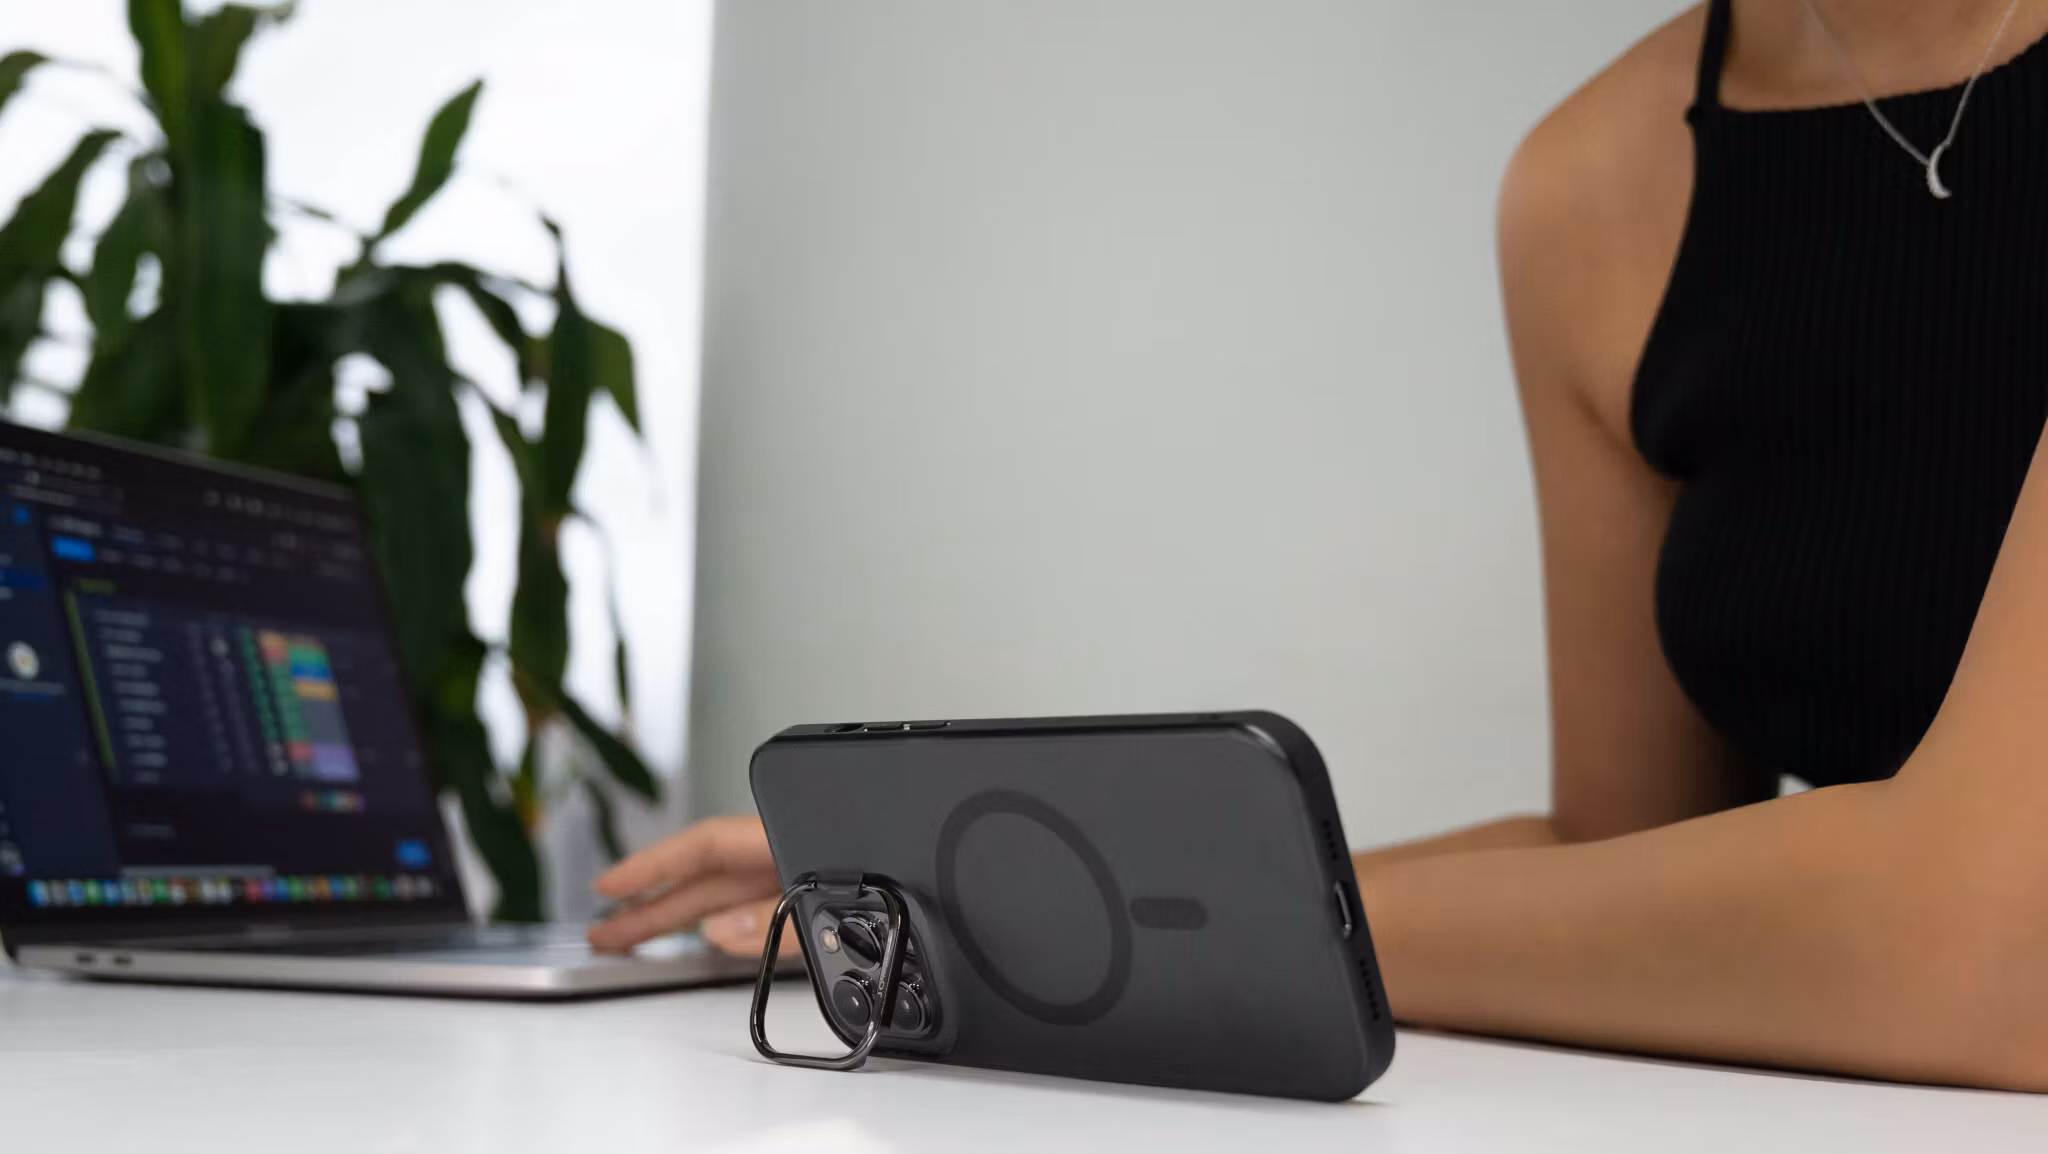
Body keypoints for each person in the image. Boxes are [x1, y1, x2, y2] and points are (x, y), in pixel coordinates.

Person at [590, 0, 2048, 1091]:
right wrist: (964, 887)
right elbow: (1630, 864)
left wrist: (1071, 928)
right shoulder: (1599, 186)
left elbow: (1987, 945)